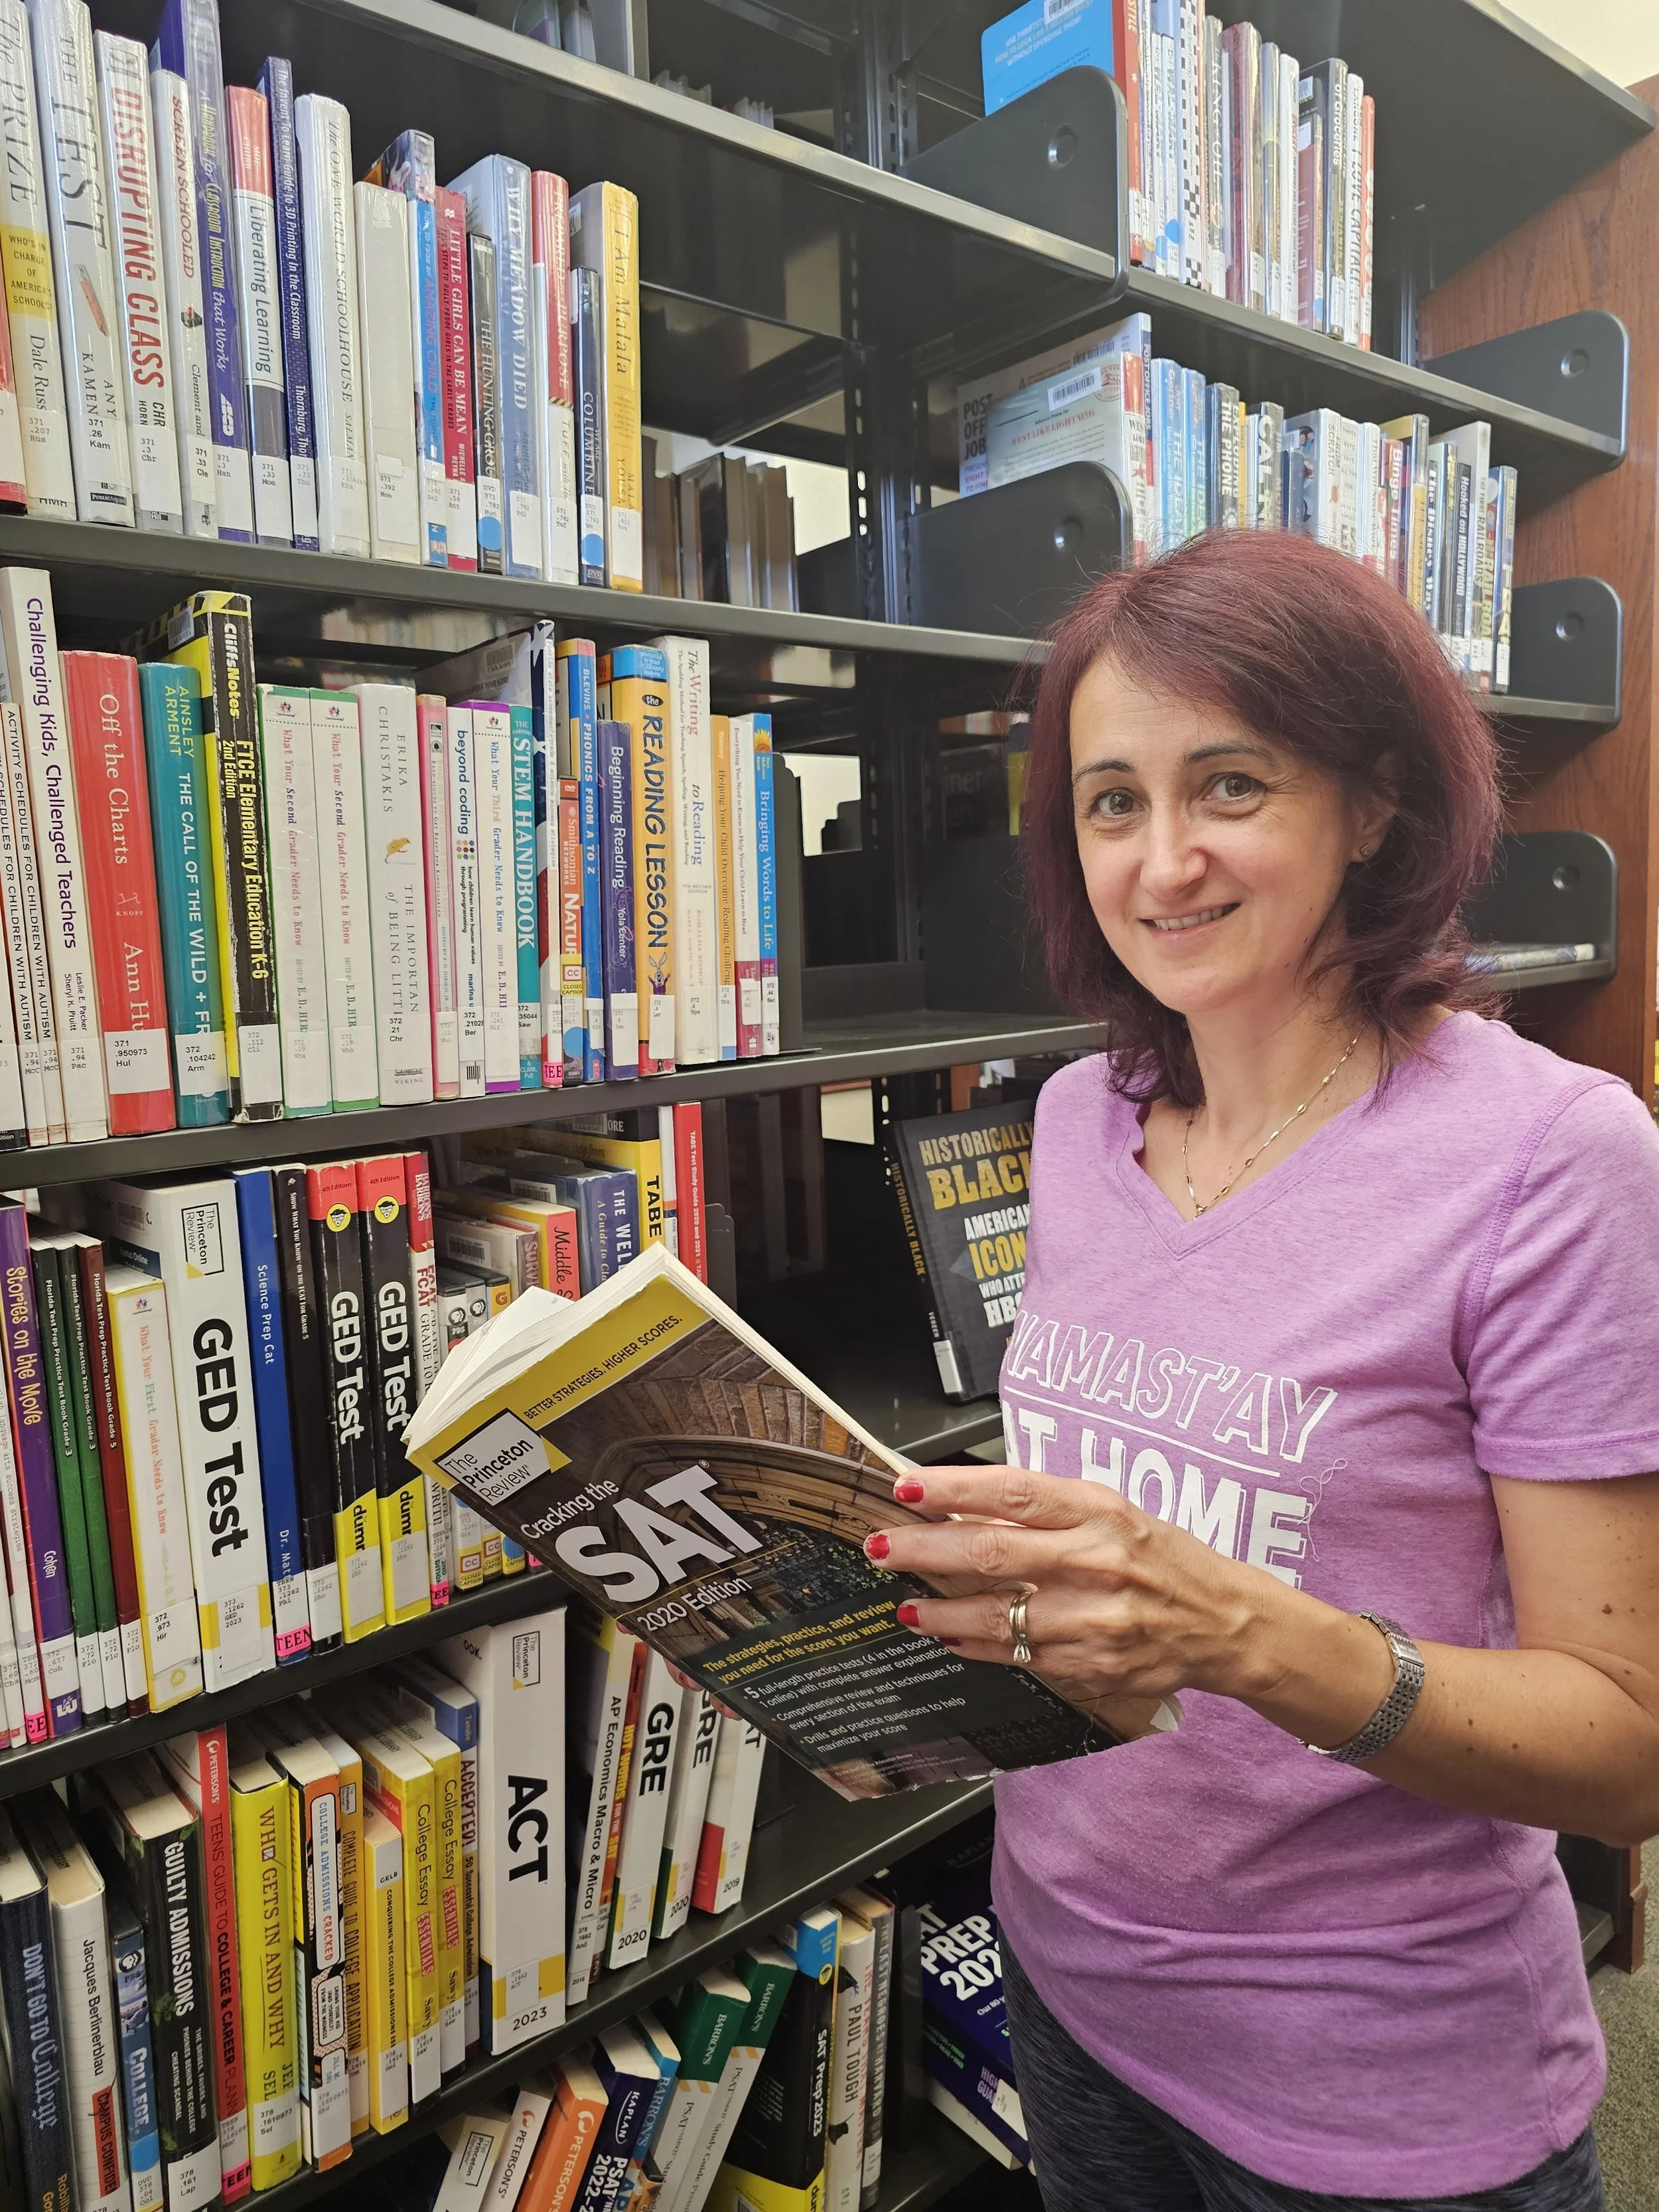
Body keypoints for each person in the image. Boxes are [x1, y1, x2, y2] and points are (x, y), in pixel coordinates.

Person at [864, 531, 1659, 2210]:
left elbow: (1621, 1745)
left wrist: (1236, 1631)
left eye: (1227, 784)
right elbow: (1093, 1542)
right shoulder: (1079, 1120)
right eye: (1108, 802)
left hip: (1376, 2083)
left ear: (1371, 804)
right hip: (1069, 1983)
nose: (1160, 864)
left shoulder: (1553, 1157)